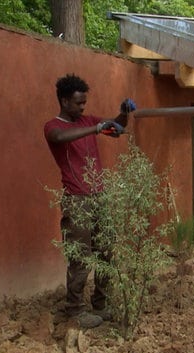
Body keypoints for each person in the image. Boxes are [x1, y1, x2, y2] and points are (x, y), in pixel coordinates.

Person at [44, 73, 137, 328]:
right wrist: (95, 128)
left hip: (99, 196)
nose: (83, 107)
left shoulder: (87, 120)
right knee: (81, 256)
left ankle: (101, 304)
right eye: (78, 103)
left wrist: (123, 113)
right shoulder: (54, 126)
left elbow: (113, 126)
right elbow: (59, 139)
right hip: (77, 200)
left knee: (106, 251)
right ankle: (75, 311)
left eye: (85, 102)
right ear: (64, 101)